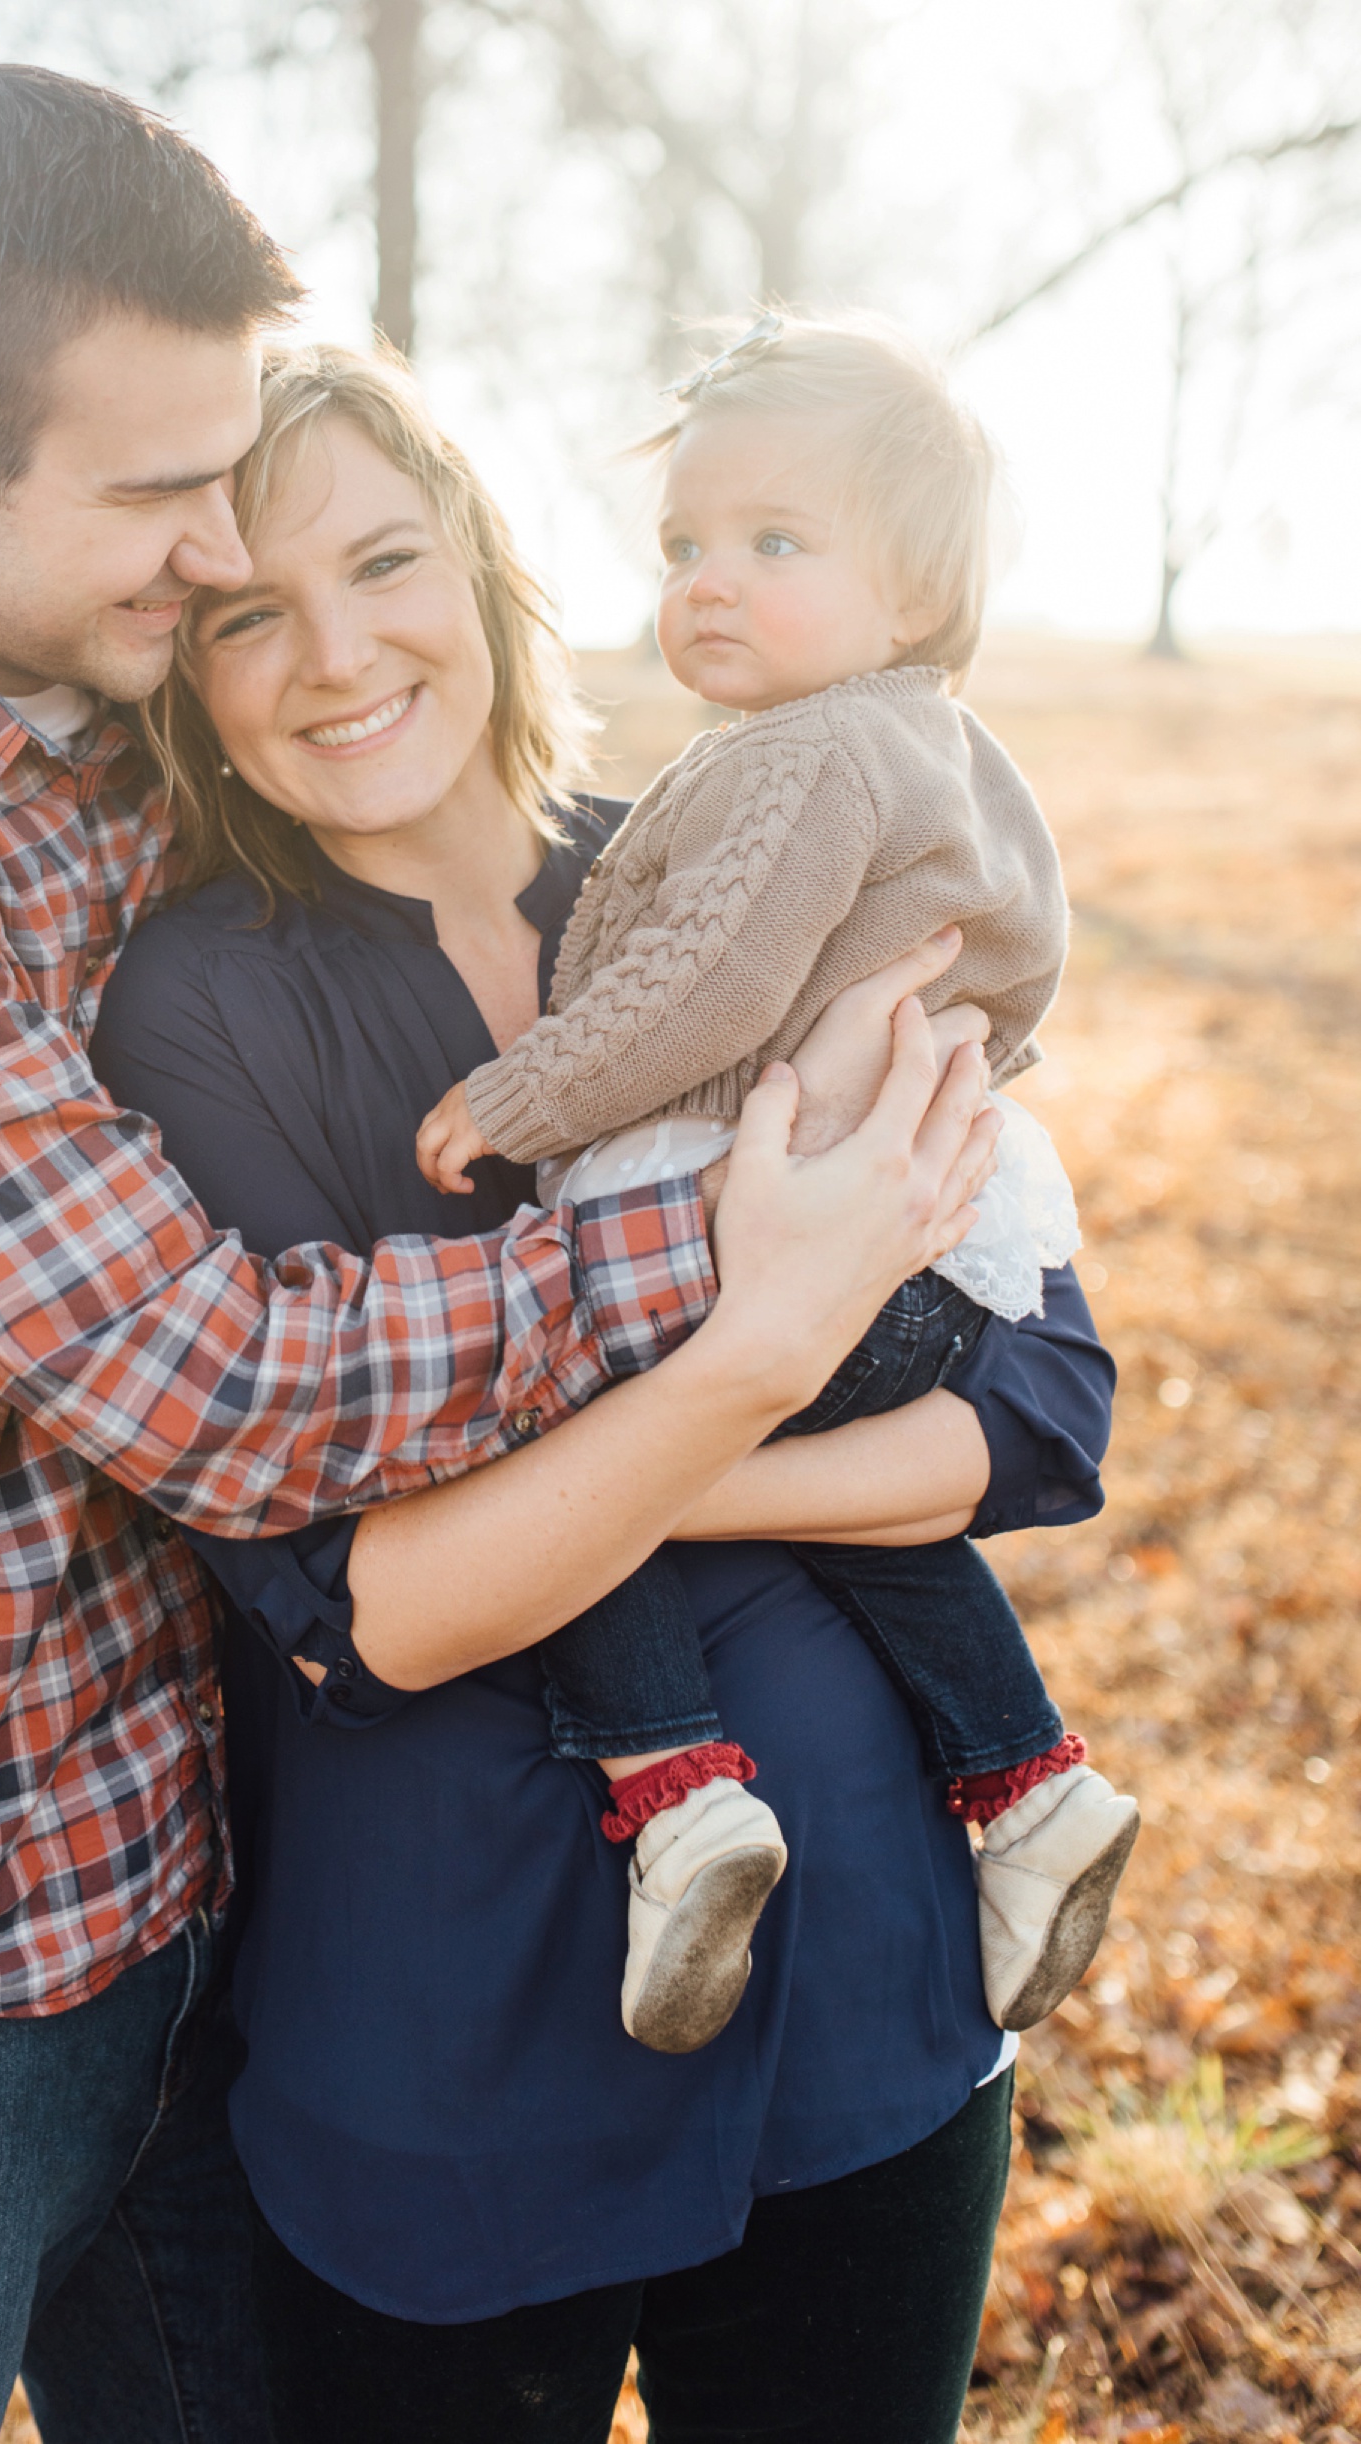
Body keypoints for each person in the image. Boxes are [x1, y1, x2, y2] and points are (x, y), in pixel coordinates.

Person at [0, 65, 993, 2444]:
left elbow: (1030, 1394)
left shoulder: (112, 732)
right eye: (161, 495)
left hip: (179, 1901)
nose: (220, 556)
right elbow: (217, 1382)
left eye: (241, 478)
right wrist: (754, 1271)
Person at [92, 341, 1118, 2444]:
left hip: (870, 1989)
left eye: (383, 561)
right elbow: (371, 1603)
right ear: (189, 676)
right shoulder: (197, 1005)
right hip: (453, 2045)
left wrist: (666, 1475)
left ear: (478, 570)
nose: (334, 652)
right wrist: (756, 1361)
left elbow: (1036, 1416)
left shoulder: (703, 867)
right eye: (246, 615)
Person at [413, 311, 1138, 2056]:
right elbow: (1003, 968)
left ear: (912, 597)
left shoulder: (810, 754)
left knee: (580, 1432)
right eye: (684, 548)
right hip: (927, 1243)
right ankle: (1031, 1788)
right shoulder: (944, 746)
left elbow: (713, 983)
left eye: (776, 543)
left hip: (792, 1211)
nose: (709, 583)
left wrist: (524, 1092)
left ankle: (677, 1799)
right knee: (802, 1479)